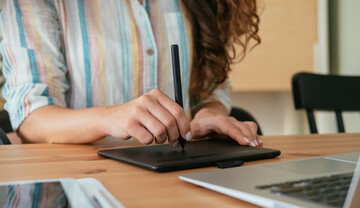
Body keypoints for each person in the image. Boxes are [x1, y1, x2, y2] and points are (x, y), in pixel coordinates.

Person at [0, 0, 262, 147]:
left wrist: (208, 115)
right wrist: (108, 117)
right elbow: (32, 117)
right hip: (81, 183)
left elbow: (212, 89)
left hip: (178, 177)